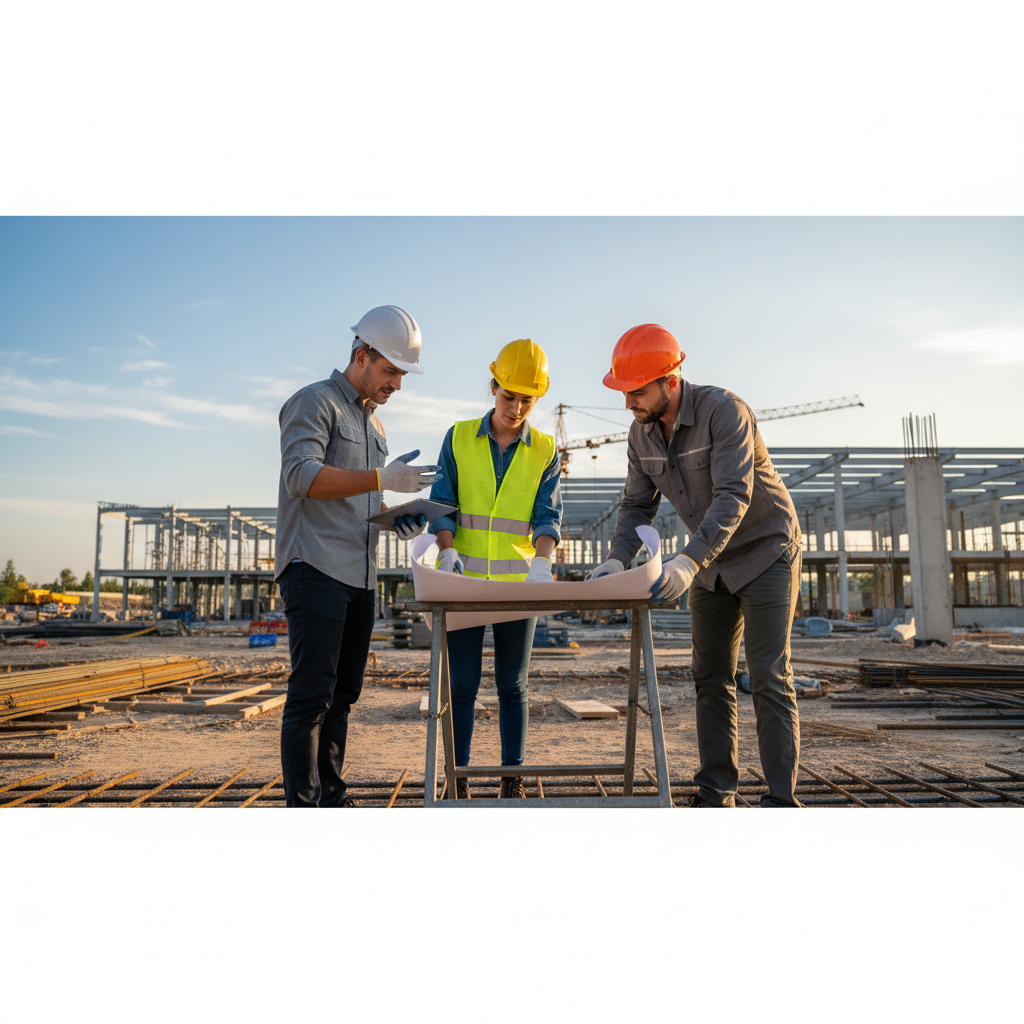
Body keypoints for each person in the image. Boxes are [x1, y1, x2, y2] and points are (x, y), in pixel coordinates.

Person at [587, 324, 802, 807]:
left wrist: (685, 562)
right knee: (710, 676)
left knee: (767, 674)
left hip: (766, 552)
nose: (628, 404)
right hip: (711, 562)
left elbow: (732, 498)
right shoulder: (640, 433)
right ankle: (716, 791)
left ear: (670, 380)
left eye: (636, 392)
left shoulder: (724, 412)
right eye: (624, 392)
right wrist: (617, 558)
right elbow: (636, 506)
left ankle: (782, 802)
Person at [275, 304, 439, 807]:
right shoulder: (313, 403)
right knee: (312, 694)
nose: (396, 384)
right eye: (391, 371)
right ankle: (302, 806)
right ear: (362, 356)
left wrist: (396, 514)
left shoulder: (376, 428)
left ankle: (332, 797)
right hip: (315, 566)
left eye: (402, 374)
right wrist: (379, 480)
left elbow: (363, 496)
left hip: (358, 575)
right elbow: (300, 477)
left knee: (343, 695)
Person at [426, 339, 562, 799]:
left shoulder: (544, 449)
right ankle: (458, 781)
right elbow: (443, 503)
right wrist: (446, 551)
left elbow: (547, 515)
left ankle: (512, 779)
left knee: (512, 684)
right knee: (461, 687)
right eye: (509, 396)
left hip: (516, 585)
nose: (517, 407)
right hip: (461, 582)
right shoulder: (459, 436)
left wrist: (542, 562)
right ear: (493, 387)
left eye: (528, 398)